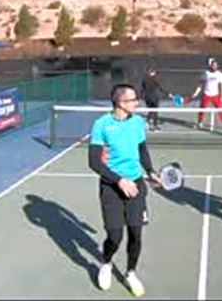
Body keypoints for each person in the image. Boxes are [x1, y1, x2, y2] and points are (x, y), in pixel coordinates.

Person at [88, 83, 161, 296]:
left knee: (136, 234)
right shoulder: (101, 125)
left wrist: (150, 170)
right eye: (133, 99)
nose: (137, 102)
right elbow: (94, 162)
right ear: (120, 102)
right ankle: (106, 262)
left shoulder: (138, 122)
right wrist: (119, 181)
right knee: (115, 236)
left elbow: (142, 148)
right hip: (111, 186)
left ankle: (130, 272)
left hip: (136, 184)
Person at [190, 57, 222, 130]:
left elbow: (221, 86)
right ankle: (200, 123)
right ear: (210, 66)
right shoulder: (205, 73)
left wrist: (221, 97)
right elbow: (200, 84)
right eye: (213, 65)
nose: (215, 66)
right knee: (202, 110)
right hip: (206, 95)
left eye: (216, 65)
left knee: (220, 110)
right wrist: (195, 94)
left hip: (216, 95)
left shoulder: (220, 74)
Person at [140, 66, 172, 131]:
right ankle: (154, 125)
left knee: (152, 111)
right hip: (152, 98)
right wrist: (167, 94)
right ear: (151, 72)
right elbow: (159, 88)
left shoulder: (147, 80)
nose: (155, 73)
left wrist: (141, 97)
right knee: (155, 112)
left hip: (149, 98)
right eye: (154, 72)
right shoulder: (151, 80)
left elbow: (143, 90)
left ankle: (148, 123)